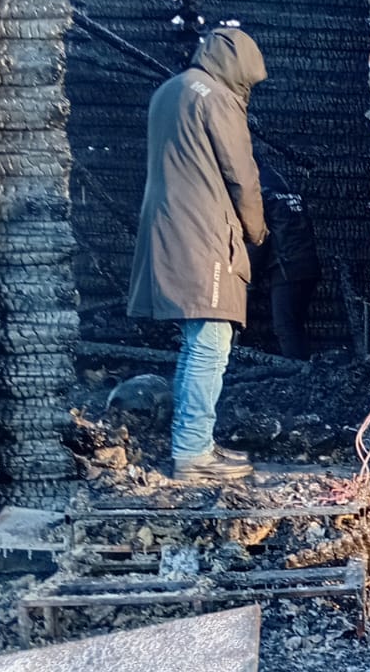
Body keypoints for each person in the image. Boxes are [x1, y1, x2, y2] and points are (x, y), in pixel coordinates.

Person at [128, 27, 269, 483]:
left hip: (169, 227)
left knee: (197, 342)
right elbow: (241, 174)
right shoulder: (217, 98)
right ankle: (192, 452)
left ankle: (196, 443)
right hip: (204, 233)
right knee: (210, 344)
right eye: (248, 79)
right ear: (237, 67)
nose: (247, 88)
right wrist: (256, 230)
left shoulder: (170, 91)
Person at [252, 162, 320, 360]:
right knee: (295, 325)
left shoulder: (262, 193)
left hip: (287, 267)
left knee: (285, 327)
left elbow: (259, 239)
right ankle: (304, 368)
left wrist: (250, 277)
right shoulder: (285, 188)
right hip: (307, 264)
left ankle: (297, 371)